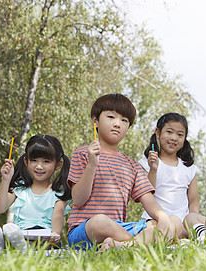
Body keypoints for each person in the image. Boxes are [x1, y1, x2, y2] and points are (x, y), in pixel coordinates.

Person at [67, 93, 174, 250]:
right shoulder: (83, 154)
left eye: (124, 120)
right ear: (95, 120)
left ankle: (122, 246)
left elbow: (150, 202)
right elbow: (78, 199)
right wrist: (92, 165)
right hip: (84, 231)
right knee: (100, 221)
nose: (117, 124)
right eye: (111, 117)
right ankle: (136, 245)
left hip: (119, 231)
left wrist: (163, 219)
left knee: (173, 222)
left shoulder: (132, 165)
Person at [0, 135, 71, 251]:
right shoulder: (20, 188)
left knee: (42, 243)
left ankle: (16, 248)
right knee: (10, 233)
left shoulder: (58, 193)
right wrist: (6, 180)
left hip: (45, 240)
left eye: (46, 161)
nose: (39, 166)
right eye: (34, 160)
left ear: (58, 164)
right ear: (26, 161)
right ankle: (4, 246)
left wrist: (56, 233)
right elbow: (0, 208)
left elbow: (58, 215)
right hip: (19, 235)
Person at [139, 113, 199, 239]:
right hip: (154, 221)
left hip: (182, 224)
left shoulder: (189, 168)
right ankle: (130, 244)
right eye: (169, 132)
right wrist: (153, 170)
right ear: (158, 132)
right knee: (156, 231)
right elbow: (146, 194)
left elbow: (193, 201)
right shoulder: (146, 163)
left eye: (180, 135)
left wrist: (193, 223)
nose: (174, 138)